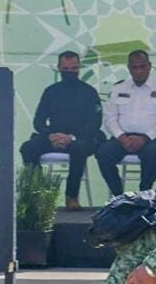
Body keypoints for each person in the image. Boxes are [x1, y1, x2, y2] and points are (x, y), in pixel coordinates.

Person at [19, 51, 104, 210]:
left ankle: (71, 197)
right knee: (28, 148)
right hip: (53, 136)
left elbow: (95, 122)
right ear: (58, 68)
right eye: (66, 68)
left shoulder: (89, 92)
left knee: (80, 148)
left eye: (74, 68)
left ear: (79, 68)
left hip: (79, 138)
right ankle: (39, 195)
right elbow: (38, 121)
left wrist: (71, 137)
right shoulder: (51, 91)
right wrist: (50, 135)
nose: (70, 72)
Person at [97, 49, 156, 196]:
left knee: (152, 153)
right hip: (122, 138)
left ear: (150, 66)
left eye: (143, 66)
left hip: (152, 139)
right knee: (103, 153)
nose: (139, 71)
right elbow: (109, 118)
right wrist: (121, 137)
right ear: (129, 68)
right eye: (135, 67)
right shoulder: (118, 88)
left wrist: (145, 138)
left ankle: (143, 196)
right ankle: (119, 197)